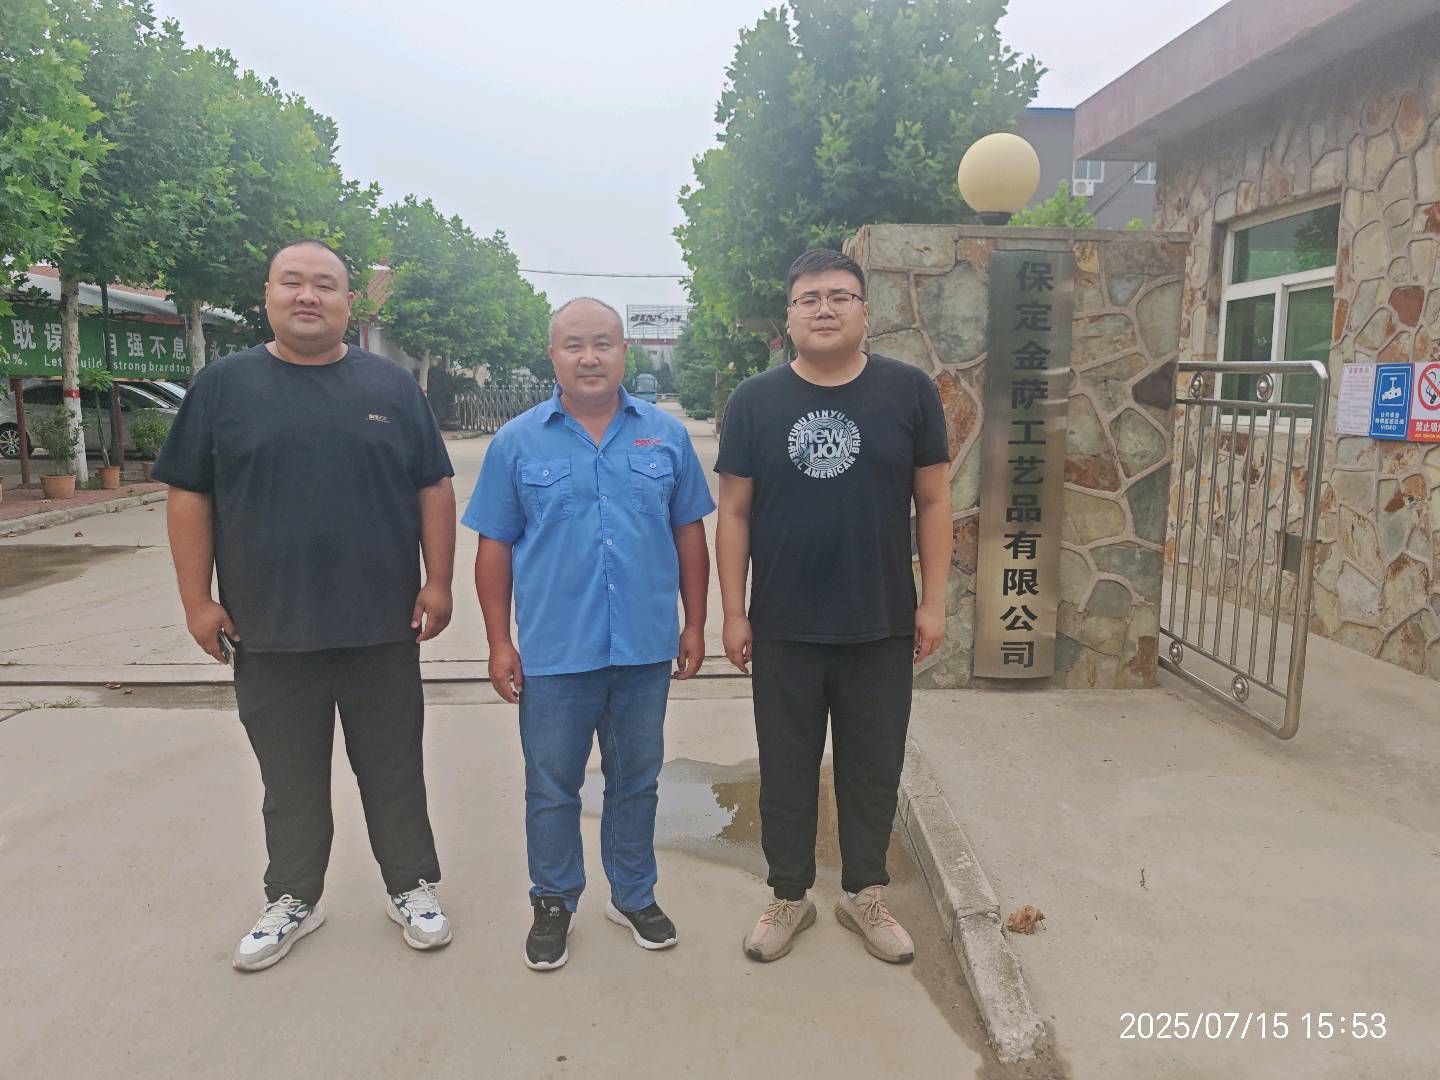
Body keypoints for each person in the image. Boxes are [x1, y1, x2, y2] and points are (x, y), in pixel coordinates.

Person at [153, 239, 457, 972]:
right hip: (268, 625)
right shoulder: (223, 387)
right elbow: (189, 495)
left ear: (350, 303)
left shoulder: (390, 387)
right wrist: (197, 601)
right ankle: (294, 897)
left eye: (325, 284)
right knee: (288, 777)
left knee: (392, 768)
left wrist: (438, 581)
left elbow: (433, 486)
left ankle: (409, 886)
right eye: (293, 282)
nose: (308, 296)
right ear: (268, 295)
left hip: (381, 623)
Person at [715, 249, 952, 964]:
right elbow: (733, 513)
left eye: (840, 296)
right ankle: (789, 895)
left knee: (872, 767)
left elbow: (934, 501)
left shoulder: (909, 392)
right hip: (783, 623)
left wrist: (934, 602)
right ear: (789, 317)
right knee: (786, 769)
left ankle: (864, 895)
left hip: (880, 620)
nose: (824, 309)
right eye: (809, 298)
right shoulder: (754, 400)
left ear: (865, 312)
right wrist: (734, 612)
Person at [465, 297, 713, 971]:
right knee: (552, 787)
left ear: (624, 351)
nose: (589, 356)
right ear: (553, 356)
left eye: (603, 342)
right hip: (555, 652)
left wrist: (696, 622)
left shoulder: (666, 437)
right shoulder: (517, 442)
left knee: (637, 780)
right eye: (574, 344)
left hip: (643, 648)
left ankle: (633, 894)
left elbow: (689, 534)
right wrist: (498, 640)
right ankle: (553, 901)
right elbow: (494, 546)